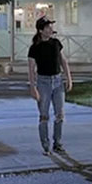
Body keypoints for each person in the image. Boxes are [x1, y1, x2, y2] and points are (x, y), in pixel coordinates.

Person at [28, 16, 73, 154]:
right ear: (41, 30)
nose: (51, 29)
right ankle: (45, 145)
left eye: (51, 26)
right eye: (47, 27)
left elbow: (63, 61)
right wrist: (33, 87)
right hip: (43, 83)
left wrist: (69, 78)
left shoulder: (56, 43)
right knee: (44, 115)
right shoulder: (35, 47)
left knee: (60, 114)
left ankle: (57, 143)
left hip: (58, 81)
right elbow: (31, 69)